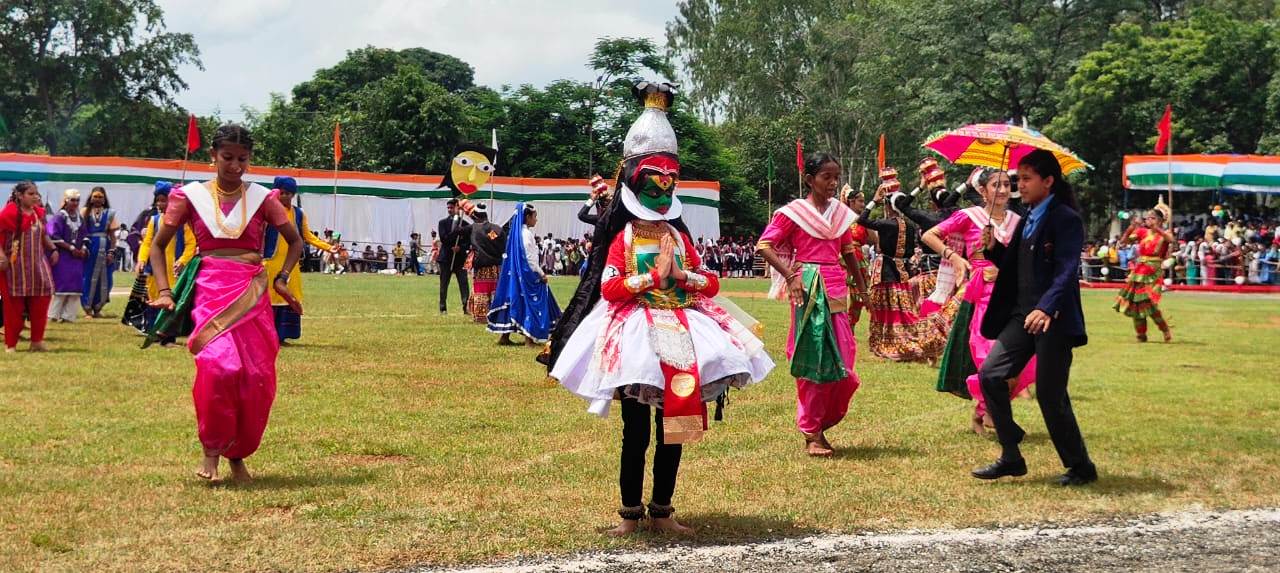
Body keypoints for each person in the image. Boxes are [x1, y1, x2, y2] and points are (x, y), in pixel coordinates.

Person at [545, 81, 773, 536]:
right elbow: (609, 288)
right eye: (655, 178)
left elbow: (710, 282)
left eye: (670, 179)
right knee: (636, 431)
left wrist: (682, 275)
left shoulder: (681, 236)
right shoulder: (625, 237)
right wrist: (652, 277)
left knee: (679, 422)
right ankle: (630, 515)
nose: (663, 186)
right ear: (636, 183)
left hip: (683, 333)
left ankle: (664, 510)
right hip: (636, 338)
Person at [145, 124, 304, 482]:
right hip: (210, 288)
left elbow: (294, 242)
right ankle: (211, 452)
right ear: (212, 156)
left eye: (242, 159)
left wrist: (281, 280)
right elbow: (158, 245)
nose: (235, 166)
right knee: (219, 369)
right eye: (228, 158)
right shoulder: (188, 197)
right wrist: (166, 291)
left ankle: (238, 456)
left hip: (252, 290)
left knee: (256, 377)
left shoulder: (264, 198)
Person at [970, 149, 1096, 487]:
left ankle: (1081, 467)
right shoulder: (1028, 218)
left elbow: (1067, 269)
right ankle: (1011, 455)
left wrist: (1047, 307)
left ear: (1048, 181)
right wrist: (994, 247)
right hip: (1021, 315)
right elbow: (1013, 265)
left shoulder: (1065, 218)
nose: (1018, 186)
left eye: (1025, 179)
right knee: (990, 374)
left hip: (1052, 318)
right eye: (1017, 179)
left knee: (1052, 397)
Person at [757, 153, 865, 457]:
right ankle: (812, 432)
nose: (832, 183)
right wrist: (791, 274)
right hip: (808, 290)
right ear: (810, 179)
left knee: (845, 360)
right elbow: (764, 245)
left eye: (836, 177)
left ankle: (821, 422)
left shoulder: (840, 215)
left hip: (836, 289)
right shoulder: (794, 213)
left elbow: (848, 252)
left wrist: (862, 286)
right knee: (813, 356)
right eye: (826, 177)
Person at [923, 169, 1034, 434]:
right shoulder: (969, 216)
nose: (1004, 190)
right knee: (991, 359)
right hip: (983, 297)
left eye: (1008, 184)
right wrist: (956, 257)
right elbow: (930, 235)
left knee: (1017, 360)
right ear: (982, 191)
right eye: (997, 185)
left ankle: (982, 412)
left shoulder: (1018, 221)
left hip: (1013, 298)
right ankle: (992, 415)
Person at [860, 167, 947, 363]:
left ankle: (887, 340)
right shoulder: (910, 226)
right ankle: (913, 338)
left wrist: (873, 199)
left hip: (886, 271)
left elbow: (862, 219)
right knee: (904, 310)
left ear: (889, 206)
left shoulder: (885, 223)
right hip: (904, 272)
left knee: (884, 309)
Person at [262, 176, 334, 345]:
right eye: (283, 193)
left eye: (289, 194)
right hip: (270, 262)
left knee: (289, 298)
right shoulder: (266, 211)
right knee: (269, 298)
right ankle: (267, 336)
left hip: (291, 265)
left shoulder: (298, 214)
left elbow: (307, 236)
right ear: (275, 192)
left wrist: (329, 248)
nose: (285, 197)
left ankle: (282, 335)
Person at [489, 203, 561, 344]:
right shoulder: (527, 234)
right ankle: (529, 338)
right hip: (528, 276)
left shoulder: (514, 235)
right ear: (527, 217)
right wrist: (541, 274)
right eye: (535, 217)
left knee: (513, 300)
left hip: (515, 275)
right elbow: (530, 259)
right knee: (532, 303)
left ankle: (505, 337)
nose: (536, 220)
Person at [136, 181, 197, 344]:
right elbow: (147, 243)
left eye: (164, 200)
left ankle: (168, 335)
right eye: (158, 200)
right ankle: (152, 330)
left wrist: (183, 261)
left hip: (174, 269)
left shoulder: (182, 222)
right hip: (156, 268)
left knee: (172, 300)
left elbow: (191, 243)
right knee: (154, 298)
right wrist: (141, 259)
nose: (160, 204)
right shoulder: (154, 221)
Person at [1, 182, 57, 352]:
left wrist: (53, 248)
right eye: (31, 193)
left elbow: (44, 235)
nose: (35, 196)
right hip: (15, 267)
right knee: (14, 306)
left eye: (36, 193)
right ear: (19, 195)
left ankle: (37, 341)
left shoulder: (38, 213)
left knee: (43, 298)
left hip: (38, 265)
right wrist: (1, 255)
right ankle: (11, 344)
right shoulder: (9, 213)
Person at [1114, 203, 1175, 342]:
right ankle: (1141, 334)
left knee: (1148, 303)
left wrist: (1157, 229)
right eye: (1147, 218)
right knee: (1135, 304)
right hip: (1139, 270)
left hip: (1153, 271)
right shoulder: (1142, 232)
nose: (1148, 220)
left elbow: (1171, 240)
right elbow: (1123, 242)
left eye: (1152, 218)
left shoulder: (1165, 233)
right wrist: (1130, 228)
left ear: (1160, 220)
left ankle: (1164, 328)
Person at [46, 189, 86, 323]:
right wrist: (71, 248)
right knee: (61, 286)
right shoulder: (59, 217)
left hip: (77, 258)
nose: (75, 203)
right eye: (72, 200)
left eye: (77, 200)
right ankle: (53, 315)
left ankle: (69, 316)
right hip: (63, 256)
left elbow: (85, 235)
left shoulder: (80, 218)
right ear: (65, 201)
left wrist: (84, 248)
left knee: (75, 287)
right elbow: (53, 235)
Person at [80, 186, 118, 318]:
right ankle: (87, 309)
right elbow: (81, 231)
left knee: (106, 278)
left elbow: (113, 236)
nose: (97, 199)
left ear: (104, 199)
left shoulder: (110, 213)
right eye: (95, 196)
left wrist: (112, 252)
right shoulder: (84, 212)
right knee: (87, 277)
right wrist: (83, 247)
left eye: (100, 197)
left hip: (105, 247)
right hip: (89, 248)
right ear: (90, 198)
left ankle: (98, 307)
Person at [467, 203, 505, 323]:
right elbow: (500, 244)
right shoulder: (495, 230)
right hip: (495, 267)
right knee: (494, 289)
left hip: (481, 267)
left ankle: (481, 315)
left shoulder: (475, 229)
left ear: (476, 217)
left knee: (481, 290)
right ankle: (495, 314)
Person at [437, 199, 471, 314]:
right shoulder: (442, 223)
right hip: (446, 258)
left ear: (458, 208)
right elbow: (444, 238)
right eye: (448, 208)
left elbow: (468, 241)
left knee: (463, 283)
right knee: (443, 284)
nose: (450, 210)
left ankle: (466, 306)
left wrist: (460, 248)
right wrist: (456, 232)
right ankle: (443, 307)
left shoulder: (465, 225)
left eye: (452, 207)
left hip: (460, 259)